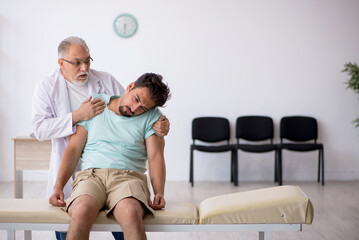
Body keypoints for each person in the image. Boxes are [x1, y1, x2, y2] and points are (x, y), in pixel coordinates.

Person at [31, 36, 170, 240]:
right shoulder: (46, 87)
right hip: (85, 172)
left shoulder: (108, 83)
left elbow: (131, 112)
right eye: (77, 62)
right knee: (75, 216)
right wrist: (77, 116)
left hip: (124, 172)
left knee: (128, 216)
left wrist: (162, 125)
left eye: (88, 60)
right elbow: (41, 130)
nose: (84, 67)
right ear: (61, 63)